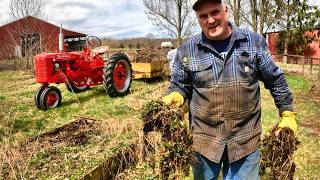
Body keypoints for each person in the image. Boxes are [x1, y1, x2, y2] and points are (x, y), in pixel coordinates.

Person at [161, 0, 297, 179]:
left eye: (215, 12)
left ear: (226, 10)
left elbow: (275, 79)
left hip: (245, 142)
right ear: (198, 19)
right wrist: (177, 94)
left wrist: (287, 112)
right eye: (203, 16)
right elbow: (180, 84)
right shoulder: (187, 50)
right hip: (204, 143)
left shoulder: (253, 42)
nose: (210, 20)